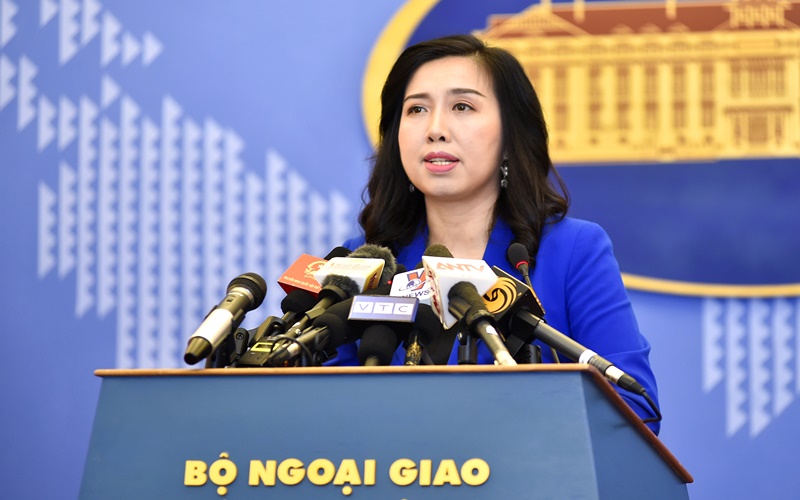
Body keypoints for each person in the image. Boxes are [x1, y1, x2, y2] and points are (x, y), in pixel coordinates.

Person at [328, 34, 661, 434]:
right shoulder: (365, 264)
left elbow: (635, 410)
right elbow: (322, 409)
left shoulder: (572, 251)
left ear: (509, 137)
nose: (435, 129)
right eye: (416, 109)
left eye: (462, 106)